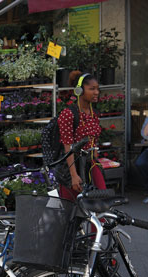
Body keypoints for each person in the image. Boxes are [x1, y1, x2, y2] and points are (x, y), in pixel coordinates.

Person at [56, 72, 104, 200]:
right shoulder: (68, 114)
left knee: (101, 203)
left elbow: (94, 141)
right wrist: (74, 176)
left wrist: (97, 163)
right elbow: (68, 147)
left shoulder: (94, 114)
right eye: (92, 89)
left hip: (91, 164)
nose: (96, 92)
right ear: (79, 90)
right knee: (72, 210)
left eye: (97, 88)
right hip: (73, 167)